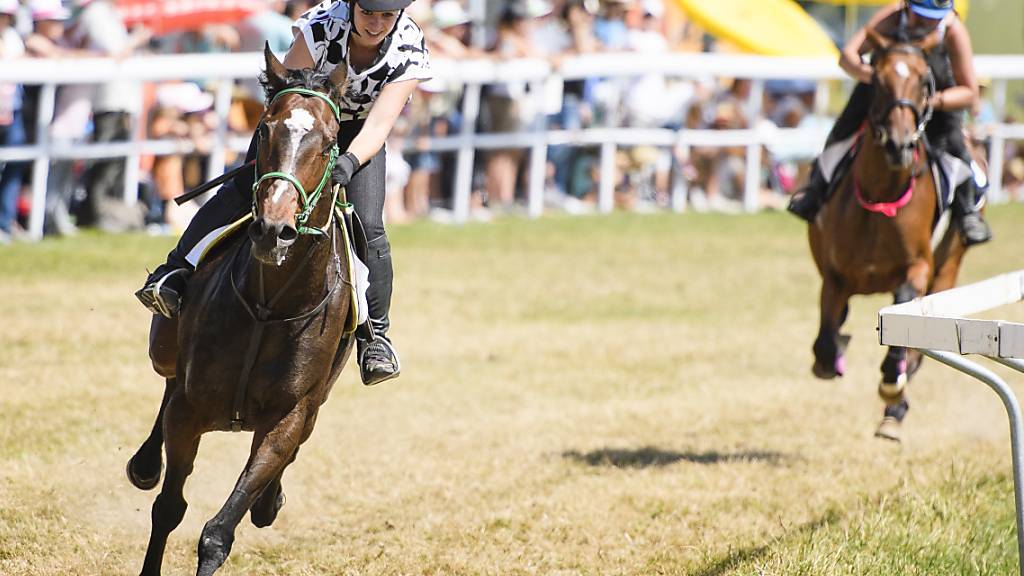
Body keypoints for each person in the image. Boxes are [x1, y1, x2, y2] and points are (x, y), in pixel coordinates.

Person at [134, 0, 431, 386]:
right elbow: (284, 92)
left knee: (369, 224)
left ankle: (375, 337)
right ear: (352, 6)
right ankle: (174, 272)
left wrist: (349, 161)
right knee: (242, 189)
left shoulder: (409, 46)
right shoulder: (321, 25)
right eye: (368, 13)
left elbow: (378, 125)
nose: (376, 24)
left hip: (359, 136)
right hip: (299, 121)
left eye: (386, 16)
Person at [786, 0, 991, 246]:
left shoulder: (953, 30)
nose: (928, 23)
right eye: (921, 17)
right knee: (842, 132)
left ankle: (967, 211)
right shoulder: (892, 17)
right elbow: (848, 56)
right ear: (907, 8)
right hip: (883, 90)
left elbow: (969, 92)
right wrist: (879, 79)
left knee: (955, 146)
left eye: (934, 18)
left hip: (934, 98)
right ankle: (815, 191)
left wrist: (932, 101)